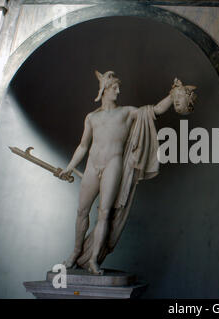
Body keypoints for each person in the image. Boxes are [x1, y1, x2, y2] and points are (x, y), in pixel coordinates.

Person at [60, 70, 195, 275]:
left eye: (118, 87)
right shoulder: (92, 117)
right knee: (81, 211)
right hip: (92, 165)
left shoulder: (127, 113)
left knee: (104, 213)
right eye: (114, 87)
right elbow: (83, 146)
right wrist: (69, 167)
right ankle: (76, 252)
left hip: (113, 165)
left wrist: (173, 93)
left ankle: (94, 259)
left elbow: (156, 110)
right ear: (104, 89)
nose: (118, 91)